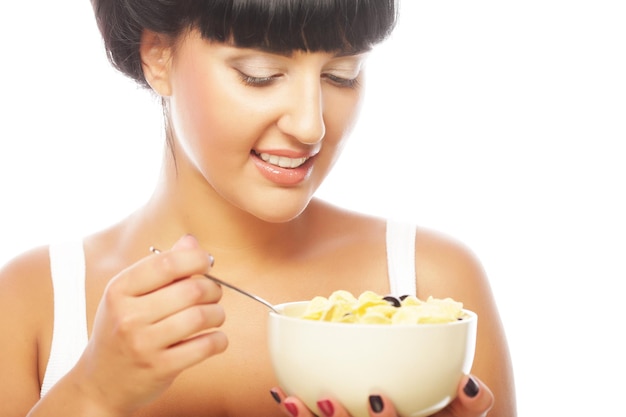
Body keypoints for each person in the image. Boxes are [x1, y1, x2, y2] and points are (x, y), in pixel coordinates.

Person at [0, 0, 515, 416]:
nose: (310, 126)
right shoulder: (32, 300)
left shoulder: (435, 286)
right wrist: (91, 394)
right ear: (158, 56)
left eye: (341, 74)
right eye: (261, 74)